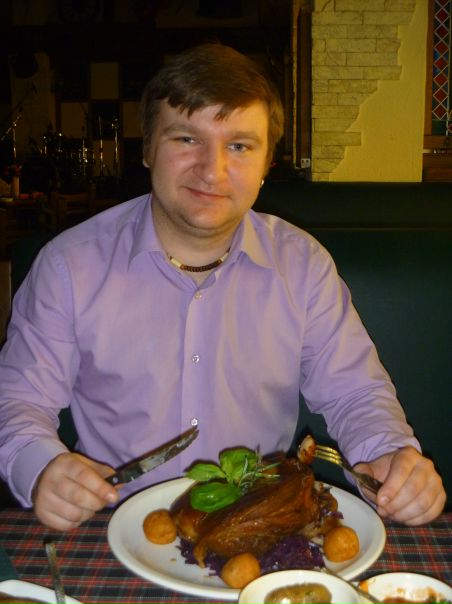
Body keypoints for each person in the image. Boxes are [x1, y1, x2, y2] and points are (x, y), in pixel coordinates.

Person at [0, 44, 445, 532]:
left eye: (239, 146)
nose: (212, 170)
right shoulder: (69, 266)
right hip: (115, 526)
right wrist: (39, 467)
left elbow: (355, 392)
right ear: (147, 149)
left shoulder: (302, 265)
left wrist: (389, 453)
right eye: (186, 138)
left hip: (259, 525)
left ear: (267, 163)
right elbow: (18, 399)